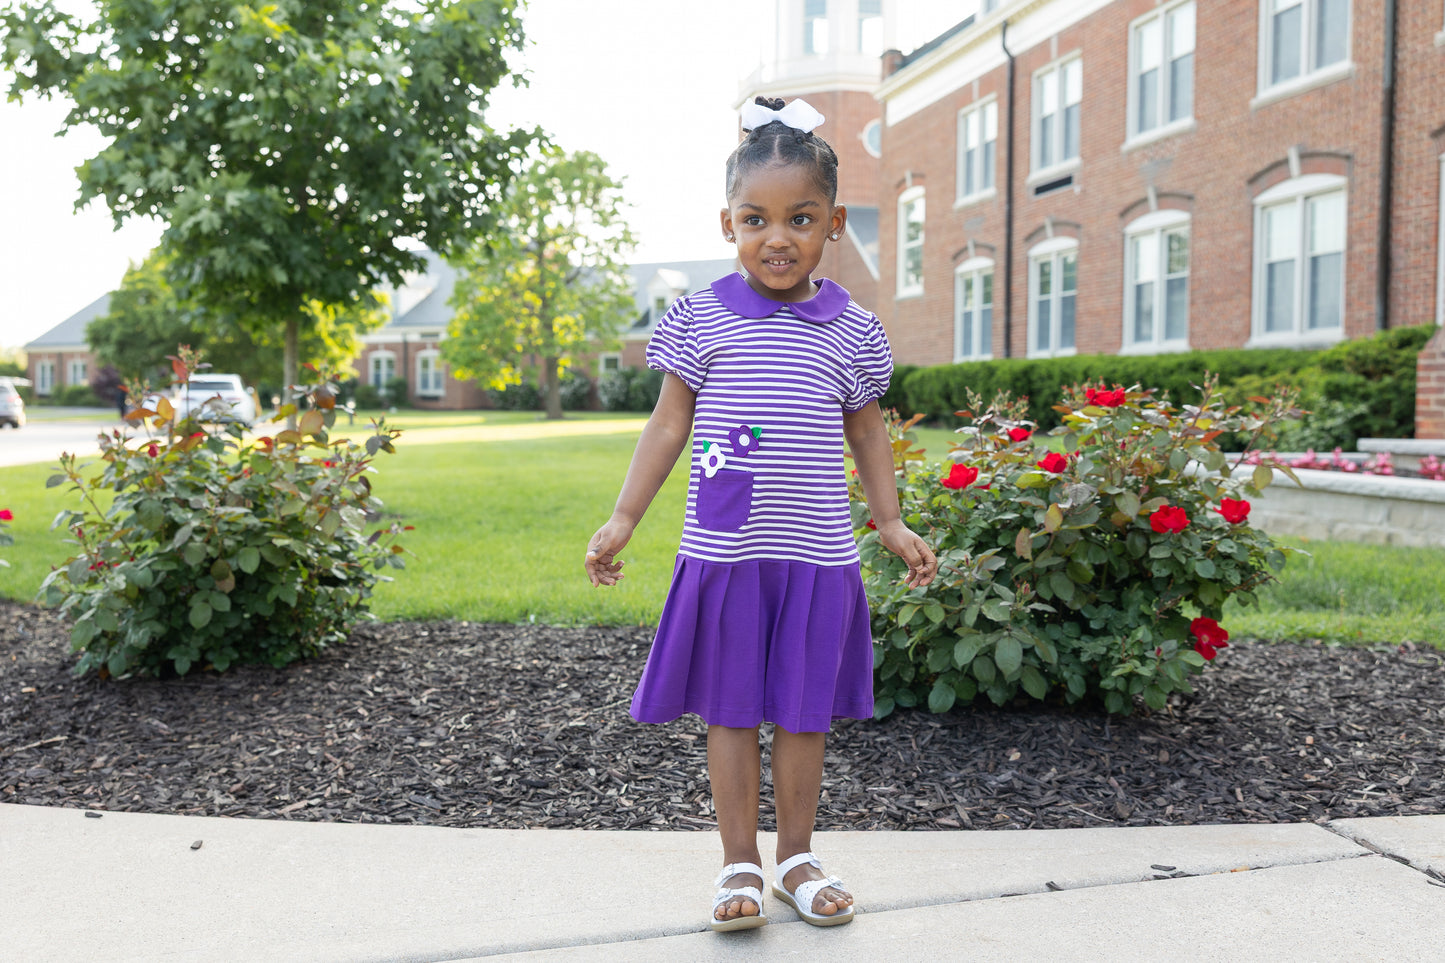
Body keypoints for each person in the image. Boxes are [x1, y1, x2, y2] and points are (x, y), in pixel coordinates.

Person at [585, 96, 937, 932]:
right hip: (729, 554)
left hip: (816, 558)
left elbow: (867, 428)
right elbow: (669, 421)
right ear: (727, 223)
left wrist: (887, 520)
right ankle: (737, 861)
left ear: (833, 224)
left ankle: (798, 858)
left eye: (799, 218)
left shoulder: (851, 329)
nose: (776, 238)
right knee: (733, 710)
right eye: (755, 219)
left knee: (803, 713)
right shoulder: (701, 317)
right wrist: (624, 516)